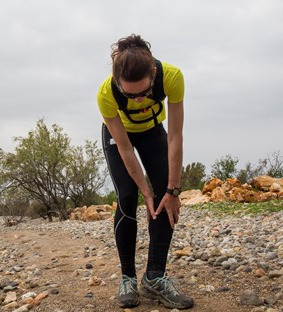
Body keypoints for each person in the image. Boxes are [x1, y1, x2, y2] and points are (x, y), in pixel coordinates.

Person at [96, 34, 194, 309]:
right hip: (121, 137)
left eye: (144, 92)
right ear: (117, 83)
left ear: (152, 73)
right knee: (128, 196)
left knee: (166, 195)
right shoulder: (106, 94)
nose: (138, 100)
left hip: (153, 132)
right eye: (130, 95)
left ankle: (155, 277)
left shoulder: (172, 77)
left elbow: (175, 136)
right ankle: (128, 277)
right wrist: (145, 190)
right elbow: (126, 150)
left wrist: (172, 190)